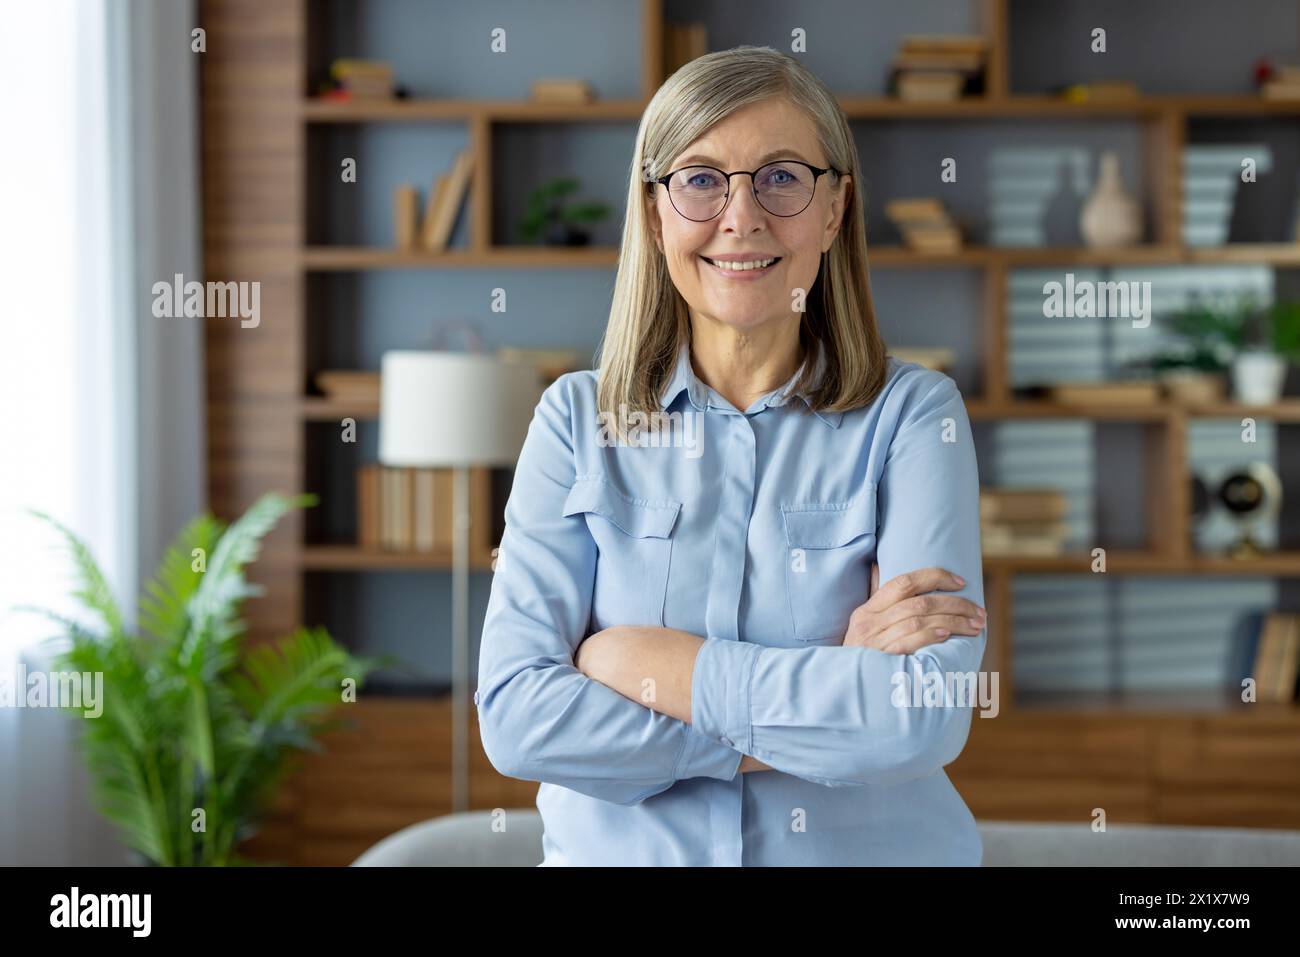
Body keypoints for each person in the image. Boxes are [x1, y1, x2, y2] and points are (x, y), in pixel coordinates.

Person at [476, 45, 988, 866]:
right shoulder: (576, 420)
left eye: (781, 176)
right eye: (701, 178)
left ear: (834, 209)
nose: (741, 216)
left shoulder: (915, 417)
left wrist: (641, 663)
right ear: (654, 213)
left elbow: (919, 716)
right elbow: (517, 718)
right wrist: (821, 693)